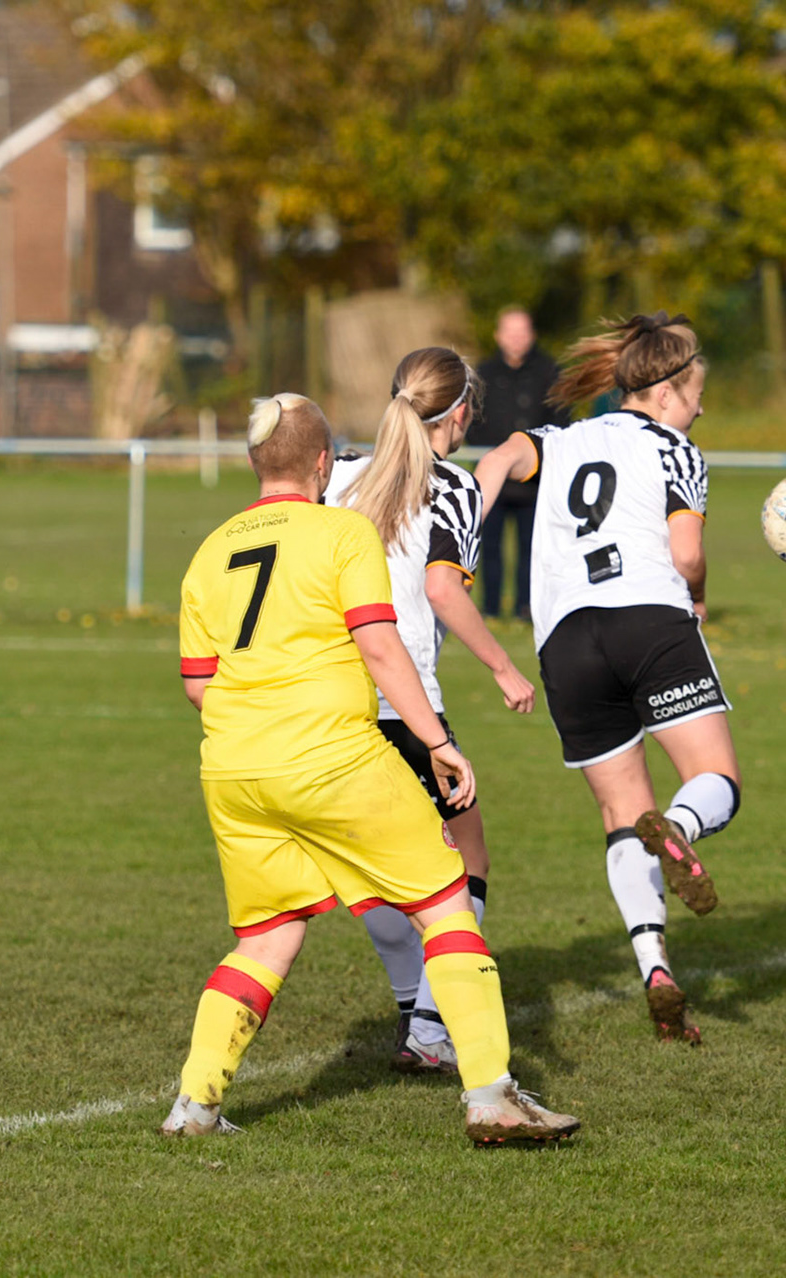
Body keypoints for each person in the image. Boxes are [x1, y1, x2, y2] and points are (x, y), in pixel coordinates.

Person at [165, 392, 577, 1145]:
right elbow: (380, 647)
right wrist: (439, 743)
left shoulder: (211, 549)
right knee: (447, 906)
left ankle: (194, 1107)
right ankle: (491, 1097)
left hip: (233, 771)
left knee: (266, 938)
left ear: (257, 462)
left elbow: (198, 685)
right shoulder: (342, 531)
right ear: (323, 463)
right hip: (332, 756)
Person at [474, 312, 738, 1046]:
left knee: (622, 813)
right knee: (715, 777)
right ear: (664, 394)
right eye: (694, 394)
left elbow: (496, 463)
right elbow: (684, 557)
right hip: (648, 620)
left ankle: (655, 967)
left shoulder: (560, 438)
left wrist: (470, 519)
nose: (699, 408)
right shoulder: (677, 450)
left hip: (565, 640)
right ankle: (681, 831)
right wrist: (701, 590)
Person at [326, 347, 538, 1073]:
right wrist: (506, 668)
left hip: (325, 701)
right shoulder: (446, 488)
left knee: (367, 870)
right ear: (463, 413)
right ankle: (427, 1026)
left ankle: (412, 1008)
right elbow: (445, 592)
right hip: (405, 701)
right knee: (465, 859)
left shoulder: (341, 473)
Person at [471, 308, 568, 622]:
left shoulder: (550, 372)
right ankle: (491, 608)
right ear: (499, 336)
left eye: (522, 332)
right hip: (492, 481)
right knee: (490, 548)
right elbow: (471, 420)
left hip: (535, 482)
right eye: (510, 332)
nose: (516, 339)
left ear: (532, 334)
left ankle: (527, 608)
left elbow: (562, 419)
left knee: (533, 549)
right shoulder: (483, 373)